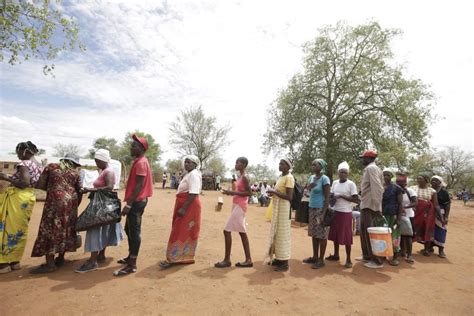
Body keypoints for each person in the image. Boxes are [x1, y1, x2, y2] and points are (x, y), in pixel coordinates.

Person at [30, 153, 82, 274]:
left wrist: (53, 188)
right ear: (74, 163)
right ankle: (61, 258)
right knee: (65, 229)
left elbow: (40, 184)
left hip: (55, 203)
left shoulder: (52, 167)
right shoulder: (75, 173)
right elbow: (79, 191)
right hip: (71, 203)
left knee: (51, 229)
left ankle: (50, 265)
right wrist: (74, 206)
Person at [75, 149, 124, 273]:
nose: (96, 163)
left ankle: (92, 262)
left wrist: (90, 190)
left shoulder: (109, 172)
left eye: (97, 161)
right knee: (102, 229)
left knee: (95, 229)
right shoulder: (104, 170)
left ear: (103, 160)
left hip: (102, 206)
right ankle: (101, 255)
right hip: (103, 205)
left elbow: (109, 187)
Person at [0, 141, 42, 274]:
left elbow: (24, 183)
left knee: (8, 228)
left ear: (26, 151)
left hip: (17, 198)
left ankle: (3, 263)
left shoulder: (24, 164)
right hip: (28, 197)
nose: (17, 155)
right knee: (19, 229)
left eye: (18, 151)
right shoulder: (38, 165)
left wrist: (6, 178)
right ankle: (14, 261)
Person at [114, 134, 153, 276]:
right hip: (135, 202)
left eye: (133, 145)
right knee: (129, 229)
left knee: (134, 232)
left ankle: (132, 264)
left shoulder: (141, 162)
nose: (131, 147)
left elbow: (139, 185)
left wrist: (129, 205)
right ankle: (130, 257)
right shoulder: (139, 161)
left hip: (136, 203)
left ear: (141, 148)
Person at [160, 155, 202, 269]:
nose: (186, 164)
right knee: (181, 229)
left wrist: (183, 208)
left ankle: (175, 258)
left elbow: (193, 193)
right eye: (186, 162)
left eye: (189, 162)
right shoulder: (189, 174)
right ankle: (181, 257)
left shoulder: (194, 174)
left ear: (195, 164)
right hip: (185, 203)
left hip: (189, 205)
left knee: (180, 230)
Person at [215, 157, 253, 268]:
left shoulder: (245, 177)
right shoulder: (240, 176)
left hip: (241, 206)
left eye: (238, 163)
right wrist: (230, 193)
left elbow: (249, 193)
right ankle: (248, 259)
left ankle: (227, 260)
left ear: (244, 164)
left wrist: (231, 192)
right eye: (236, 162)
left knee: (227, 231)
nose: (236, 164)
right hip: (236, 204)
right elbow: (240, 191)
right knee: (241, 232)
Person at [326, 161, 358, 268]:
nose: (343, 174)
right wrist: (331, 196)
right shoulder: (335, 183)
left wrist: (341, 196)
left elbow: (355, 199)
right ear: (338, 173)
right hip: (335, 211)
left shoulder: (351, 184)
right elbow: (331, 194)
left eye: (345, 172)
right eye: (341, 172)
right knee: (335, 234)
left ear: (347, 173)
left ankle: (348, 259)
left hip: (345, 213)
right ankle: (336, 254)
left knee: (346, 236)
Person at [264, 159, 294, 272]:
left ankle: (285, 262)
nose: (279, 165)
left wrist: (274, 192)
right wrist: (273, 192)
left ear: (288, 166)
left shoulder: (289, 178)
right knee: (276, 233)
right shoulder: (281, 177)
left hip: (284, 208)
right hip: (278, 207)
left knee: (283, 235)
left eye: (282, 164)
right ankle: (278, 259)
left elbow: (289, 197)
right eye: (279, 163)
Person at [358, 150, 385, 269]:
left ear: (369, 158)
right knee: (364, 230)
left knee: (371, 232)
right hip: (366, 204)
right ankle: (367, 256)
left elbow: (377, 187)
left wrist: (377, 206)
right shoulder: (371, 168)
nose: (362, 160)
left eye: (363, 158)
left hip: (371, 205)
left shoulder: (372, 169)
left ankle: (377, 260)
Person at [303, 159, 330, 269]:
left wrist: (324, 212)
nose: (313, 166)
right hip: (312, 208)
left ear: (321, 166)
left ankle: (321, 259)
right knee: (314, 233)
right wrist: (309, 187)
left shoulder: (325, 179)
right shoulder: (311, 178)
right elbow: (307, 191)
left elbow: (328, 196)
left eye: (315, 164)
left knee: (322, 235)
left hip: (320, 209)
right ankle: (315, 256)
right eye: (312, 164)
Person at [413, 173, 441, 256]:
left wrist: (441, 217)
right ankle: (406, 250)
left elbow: (436, 204)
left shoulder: (432, 191)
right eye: (418, 178)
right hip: (416, 211)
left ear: (426, 180)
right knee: (413, 228)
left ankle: (426, 249)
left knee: (428, 228)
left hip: (428, 212)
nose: (418, 180)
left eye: (421, 178)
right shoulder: (412, 188)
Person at [382, 169, 403, 266]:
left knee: (394, 236)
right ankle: (382, 254)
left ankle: (394, 257)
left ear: (391, 176)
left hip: (393, 216)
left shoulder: (397, 188)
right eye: (384, 175)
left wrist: (398, 219)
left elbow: (400, 204)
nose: (385, 177)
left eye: (387, 175)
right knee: (382, 235)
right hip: (382, 216)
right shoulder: (380, 187)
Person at [396, 174, 417, 263]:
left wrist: (405, 207)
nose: (400, 184)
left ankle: (409, 255)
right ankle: (402, 250)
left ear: (405, 183)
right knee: (399, 234)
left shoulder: (410, 191)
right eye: (398, 183)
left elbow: (415, 203)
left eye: (402, 183)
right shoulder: (396, 191)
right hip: (398, 215)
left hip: (408, 215)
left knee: (408, 235)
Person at [431, 175, 450, 258]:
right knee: (430, 230)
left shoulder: (444, 192)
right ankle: (429, 247)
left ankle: (441, 250)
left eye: (436, 181)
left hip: (440, 214)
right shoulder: (429, 190)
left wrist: (445, 217)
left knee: (441, 230)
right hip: (430, 213)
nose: (433, 182)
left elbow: (447, 205)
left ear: (440, 183)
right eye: (432, 180)